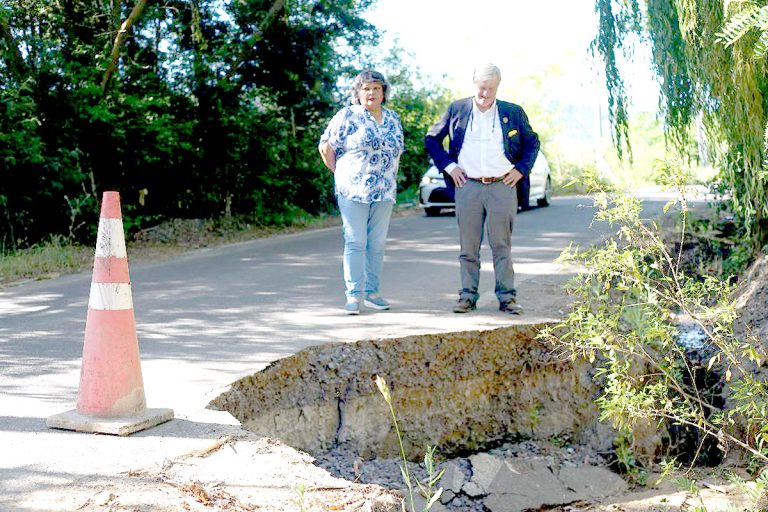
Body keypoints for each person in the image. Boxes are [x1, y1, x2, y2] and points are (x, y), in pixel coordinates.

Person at [424, 63, 539, 314]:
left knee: (501, 246)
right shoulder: (458, 109)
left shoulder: (513, 112)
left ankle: (507, 298)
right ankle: (467, 296)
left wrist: (520, 170)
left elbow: (532, 143)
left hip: (502, 186)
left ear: (498, 87)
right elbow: (431, 139)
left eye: (490, 89)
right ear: (474, 84)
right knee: (468, 247)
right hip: (468, 186)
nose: (484, 94)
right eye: (481, 88)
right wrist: (449, 166)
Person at [319, 70, 404, 315]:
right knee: (356, 241)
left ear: (383, 93)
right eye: (366, 88)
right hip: (353, 190)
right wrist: (339, 173)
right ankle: (354, 296)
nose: (371, 93)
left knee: (376, 244)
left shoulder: (393, 118)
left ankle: (373, 293)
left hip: (384, 190)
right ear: (358, 93)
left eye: (376, 88)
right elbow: (326, 146)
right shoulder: (348, 116)